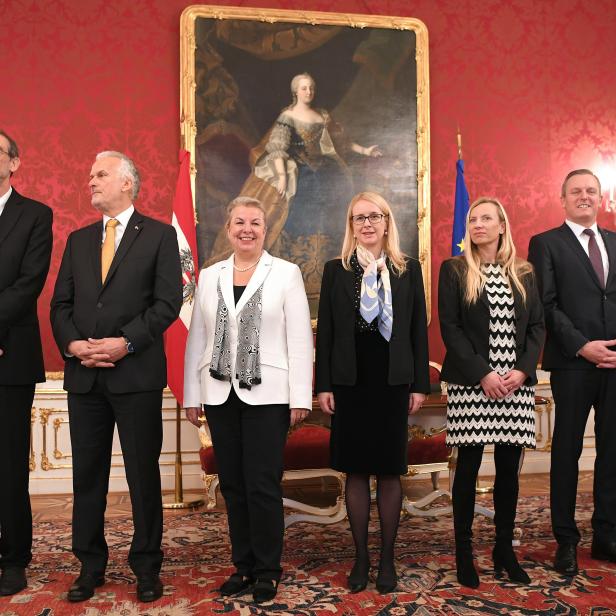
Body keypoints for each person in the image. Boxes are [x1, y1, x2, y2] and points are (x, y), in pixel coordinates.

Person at [50, 151, 182, 603]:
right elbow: (60, 305)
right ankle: (90, 566)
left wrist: (123, 342)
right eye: (90, 175)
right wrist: (73, 345)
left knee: (143, 475)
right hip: (84, 376)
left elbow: (167, 304)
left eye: (100, 174)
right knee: (88, 477)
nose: (91, 181)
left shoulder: (160, 237)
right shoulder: (78, 239)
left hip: (136, 374)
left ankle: (146, 567)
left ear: (128, 183)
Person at [184, 196, 313, 604]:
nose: (247, 229)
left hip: (269, 395)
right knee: (233, 485)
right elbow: (197, 340)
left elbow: (299, 339)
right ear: (228, 228)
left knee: (261, 484)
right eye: (239, 221)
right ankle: (243, 566)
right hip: (219, 393)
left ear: (265, 228)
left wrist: (300, 396)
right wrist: (192, 393)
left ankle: (268, 571)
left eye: (255, 222)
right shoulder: (209, 276)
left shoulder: (286, 274)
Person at [315, 191, 429, 594]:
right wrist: (323, 385)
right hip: (350, 383)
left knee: (390, 468)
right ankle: (361, 556)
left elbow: (418, 330)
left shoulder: (407, 269)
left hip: (393, 382)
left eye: (374, 216)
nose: (366, 223)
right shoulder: (335, 270)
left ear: (386, 222)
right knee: (357, 469)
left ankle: (387, 559)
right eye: (358, 217)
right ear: (351, 226)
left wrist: (419, 384)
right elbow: (326, 333)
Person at [439, 197, 544, 588]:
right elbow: (451, 329)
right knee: (466, 470)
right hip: (472, 384)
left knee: (508, 473)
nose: (478, 224)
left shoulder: (524, 272)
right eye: (473, 219)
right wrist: (484, 374)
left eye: (486, 218)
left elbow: (536, 327)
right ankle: (464, 553)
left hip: (515, 386)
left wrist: (521, 370)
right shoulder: (454, 270)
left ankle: (504, 549)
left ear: (502, 225)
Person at [208, 73, 381, 299]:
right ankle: (298, 276)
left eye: (310, 88)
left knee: (336, 208)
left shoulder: (322, 116)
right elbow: (278, 147)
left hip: (327, 172)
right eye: (303, 88)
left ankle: (329, 276)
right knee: (298, 212)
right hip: (300, 172)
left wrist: (366, 151)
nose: (308, 92)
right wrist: (281, 176)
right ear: (295, 92)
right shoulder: (288, 116)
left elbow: (341, 142)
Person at [528, 169, 616, 576]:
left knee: (613, 453)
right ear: (562, 199)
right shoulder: (546, 244)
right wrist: (583, 345)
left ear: (601, 198)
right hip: (573, 363)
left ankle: (606, 535)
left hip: (615, 363)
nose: (584, 197)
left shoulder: (615, 242)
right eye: (576, 191)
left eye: (591, 191)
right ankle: (565, 540)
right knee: (567, 452)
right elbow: (545, 305)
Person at [0, 130, 53, 596]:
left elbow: (28, 285)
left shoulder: (35, 215)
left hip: (9, 359)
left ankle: (13, 558)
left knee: (8, 464)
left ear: (14, 163)